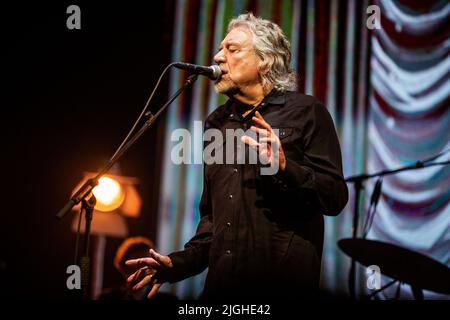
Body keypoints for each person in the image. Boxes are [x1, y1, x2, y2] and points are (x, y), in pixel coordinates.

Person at [126, 13, 348, 300]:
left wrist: (284, 166)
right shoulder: (216, 123)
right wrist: (176, 265)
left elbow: (334, 197)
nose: (218, 57)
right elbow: (212, 222)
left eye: (232, 49)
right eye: (220, 49)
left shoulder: (307, 112)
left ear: (265, 60)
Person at [99, 236, 176, 300]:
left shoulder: (169, 299)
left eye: (146, 262)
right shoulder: (106, 297)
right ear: (123, 267)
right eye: (137, 263)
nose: (142, 268)